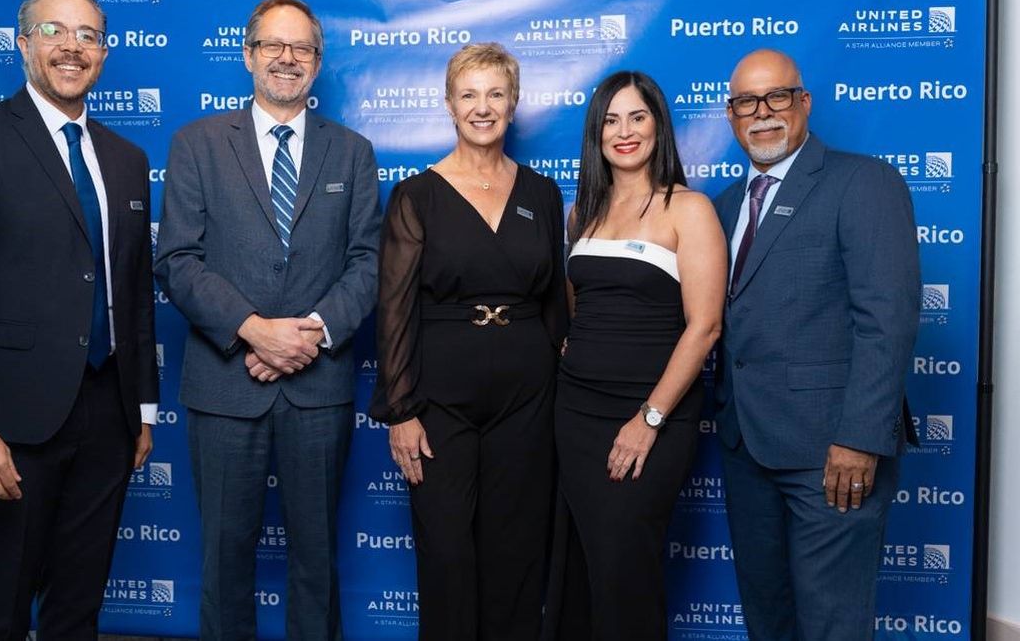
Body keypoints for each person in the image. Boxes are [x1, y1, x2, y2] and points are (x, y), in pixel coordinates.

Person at [0, 0, 157, 639]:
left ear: (103, 54)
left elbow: (132, 291)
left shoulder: (126, 160)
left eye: (87, 36)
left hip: (109, 415)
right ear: (23, 44)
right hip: (13, 421)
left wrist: (141, 409)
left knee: (77, 609)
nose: (71, 48)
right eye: (54, 31)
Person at [154, 0, 380, 640]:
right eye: (273, 46)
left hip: (318, 387)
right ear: (247, 54)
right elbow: (177, 258)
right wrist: (254, 329)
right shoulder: (196, 144)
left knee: (317, 559)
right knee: (224, 559)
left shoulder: (353, 152)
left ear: (317, 62)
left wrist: (304, 337)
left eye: (302, 48)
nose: (287, 58)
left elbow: (368, 261)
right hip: (226, 387)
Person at [713, 49, 919, 640]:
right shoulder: (724, 207)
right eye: (747, 102)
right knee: (767, 618)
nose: (763, 113)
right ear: (731, 116)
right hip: (746, 446)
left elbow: (888, 319)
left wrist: (858, 436)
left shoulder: (863, 181)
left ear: (803, 102)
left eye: (777, 97)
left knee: (832, 622)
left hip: (832, 453)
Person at [371, 42, 568, 641]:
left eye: (495, 94)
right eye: (469, 95)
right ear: (450, 106)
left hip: (528, 398)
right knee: (448, 552)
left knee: (516, 551)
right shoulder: (417, 195)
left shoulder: (543, 193)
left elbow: (555, 305)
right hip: (440, 400)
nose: (483, 107)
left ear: (514, 104)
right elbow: (395, 308)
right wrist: (400, 412)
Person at [541, 71, 727, 640]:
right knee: (581, 566)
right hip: (575, 412)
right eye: (610, 120)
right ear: (595, 132)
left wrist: (649, 420)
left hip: (651, 414)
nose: (624, 131)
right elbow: (581, 304)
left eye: (637, 117)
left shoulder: (687, 209)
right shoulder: (582, 214)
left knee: (627, 567)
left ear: (658, 126)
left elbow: (705, 327)